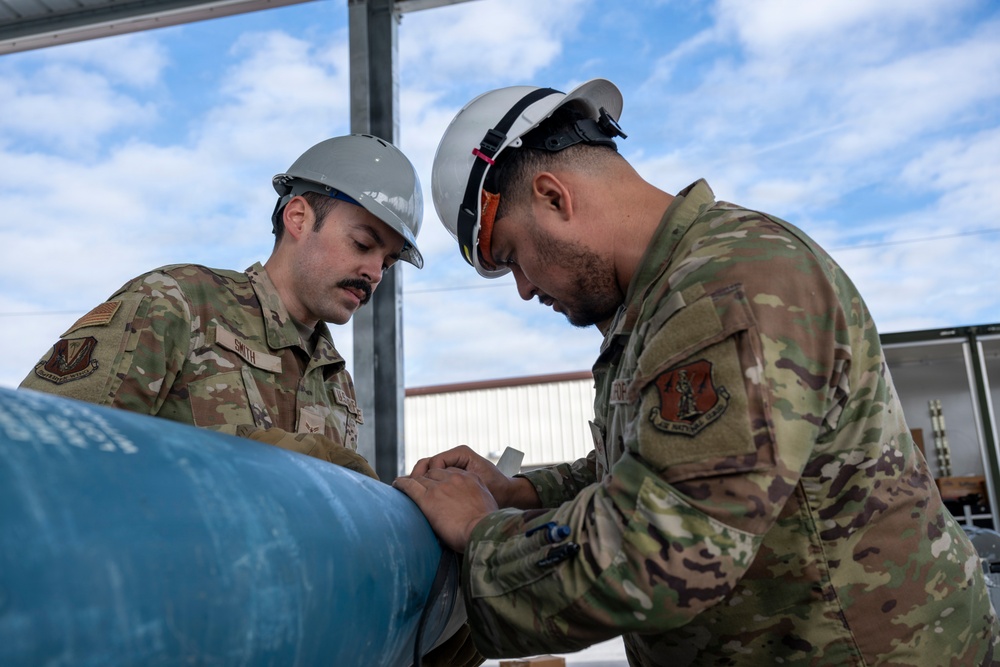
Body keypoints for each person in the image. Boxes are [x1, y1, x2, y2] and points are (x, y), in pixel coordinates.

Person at [393, 80, 1000, 666]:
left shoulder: (725, 290)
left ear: (555, 198)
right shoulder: (663, 299)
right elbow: (651, 470)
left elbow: (665, 548)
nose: (524, 290)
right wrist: (520, 492)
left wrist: (483, 533)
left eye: (513, 257)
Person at [19, 133, 482, 667]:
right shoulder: (177, 304)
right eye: (363, 244)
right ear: (299, 217)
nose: (375, 273)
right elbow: (46, 462)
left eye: (389, 260)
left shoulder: (336, 382)